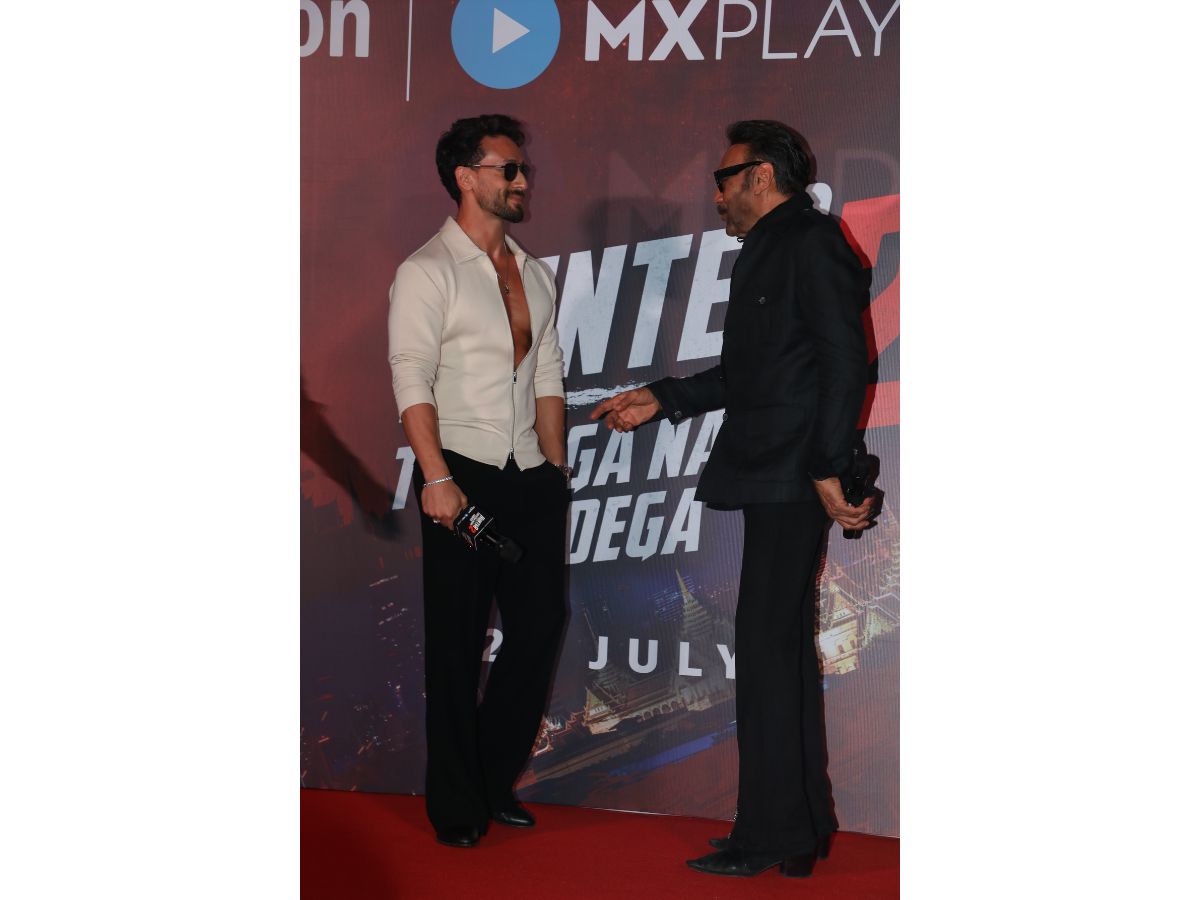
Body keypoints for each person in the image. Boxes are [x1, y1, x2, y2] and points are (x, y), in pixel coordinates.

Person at [590, 120, 874, 878]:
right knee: (775, 651)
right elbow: (755, 373)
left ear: (761, 176)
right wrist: (661, 397)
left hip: (791, 475)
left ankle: (773, 835)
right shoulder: (773, 248)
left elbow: (846, 361)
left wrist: (827, 466)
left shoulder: (809, 242)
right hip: (776, 473)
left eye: (725, 179)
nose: (716, 195)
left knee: (769, 653)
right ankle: (795, 830)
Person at [388, 114, 571, 849]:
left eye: (523, 169)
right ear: (466, 178)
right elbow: (411, 376)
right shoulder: (427, 270)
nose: (522, 180)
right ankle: (457, 803)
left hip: (530, 474)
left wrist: (555, 468)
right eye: (508, 169)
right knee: (458, 642)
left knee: (539, 628)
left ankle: (495, 781)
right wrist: (434, 476)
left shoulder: (534, 272)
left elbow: (548, 372)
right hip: (459, 472)